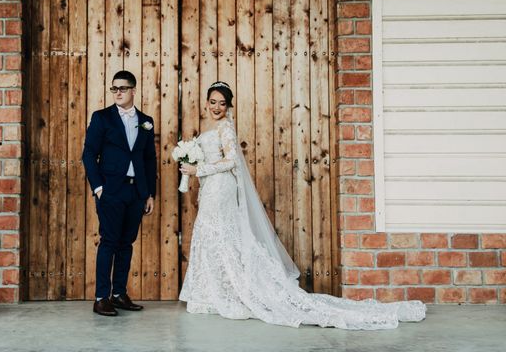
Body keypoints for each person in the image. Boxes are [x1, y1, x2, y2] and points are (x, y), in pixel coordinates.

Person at [178, 81, 426, 330]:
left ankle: (226, 293)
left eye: (222, 103)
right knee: (215, 236)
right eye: (213, 102)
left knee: (218, 234)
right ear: (206, 103)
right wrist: (194, 168)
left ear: (228, 105)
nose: (217, 107)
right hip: (212, 188)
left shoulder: (226, 129)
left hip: (221, 188)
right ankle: (212, 293)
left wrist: (199, 168)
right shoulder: (214, 128)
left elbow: (231, 161)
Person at [82, 70, 157, 317]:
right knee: (110, 242)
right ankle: (101, 297)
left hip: (136, 191)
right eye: (114, 89)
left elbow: (149, 159)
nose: (118, 93)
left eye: (123, 88)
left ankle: (119, 294)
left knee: (127, 243)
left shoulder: (146, 120)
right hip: (111, 191)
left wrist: (149, 194)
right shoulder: (102, 118)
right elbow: (89, 154)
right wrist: (99, 188)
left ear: (134, 90)